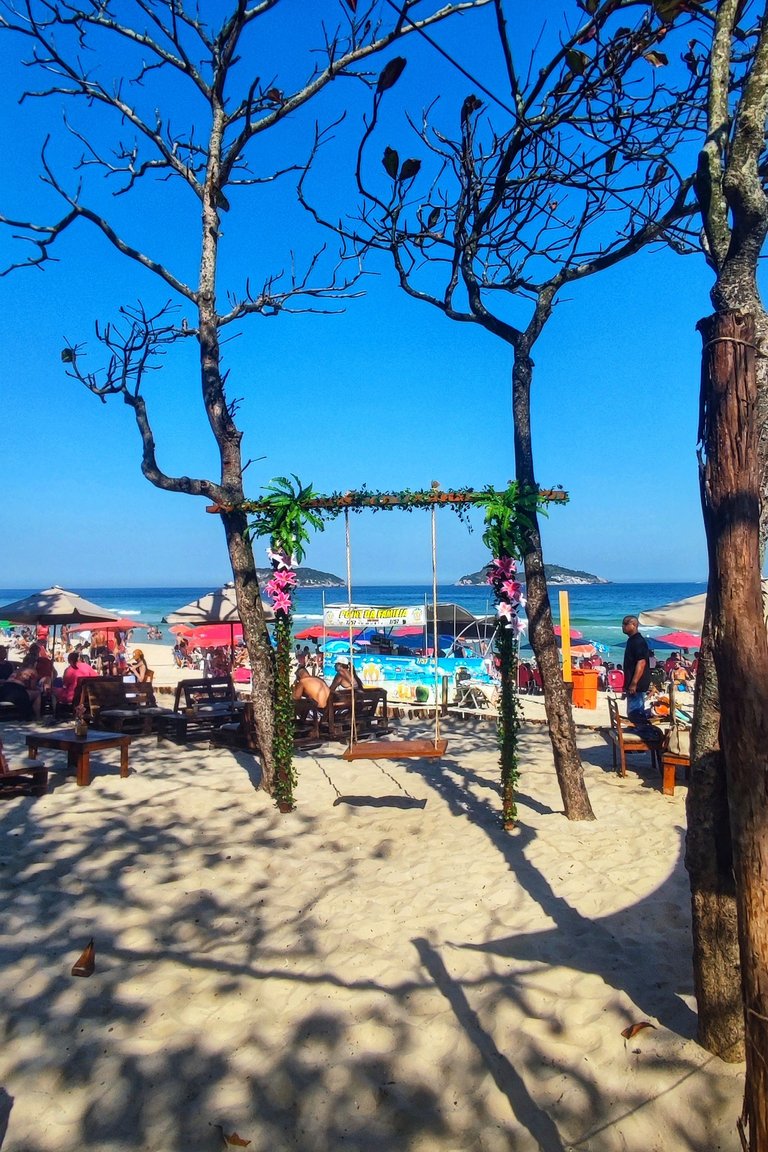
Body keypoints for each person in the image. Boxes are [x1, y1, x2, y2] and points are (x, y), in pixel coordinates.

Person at [621, 615, 652, 719]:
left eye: (625, 623)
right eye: (622, 624)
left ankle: (638, 732)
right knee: (632, 712)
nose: (623, 626)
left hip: (637, 685)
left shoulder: (638, 641)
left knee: (636, 713)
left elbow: (641, 663)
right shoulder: (631, 640)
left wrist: (634, 683)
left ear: (633, 625)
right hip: (632, 684)